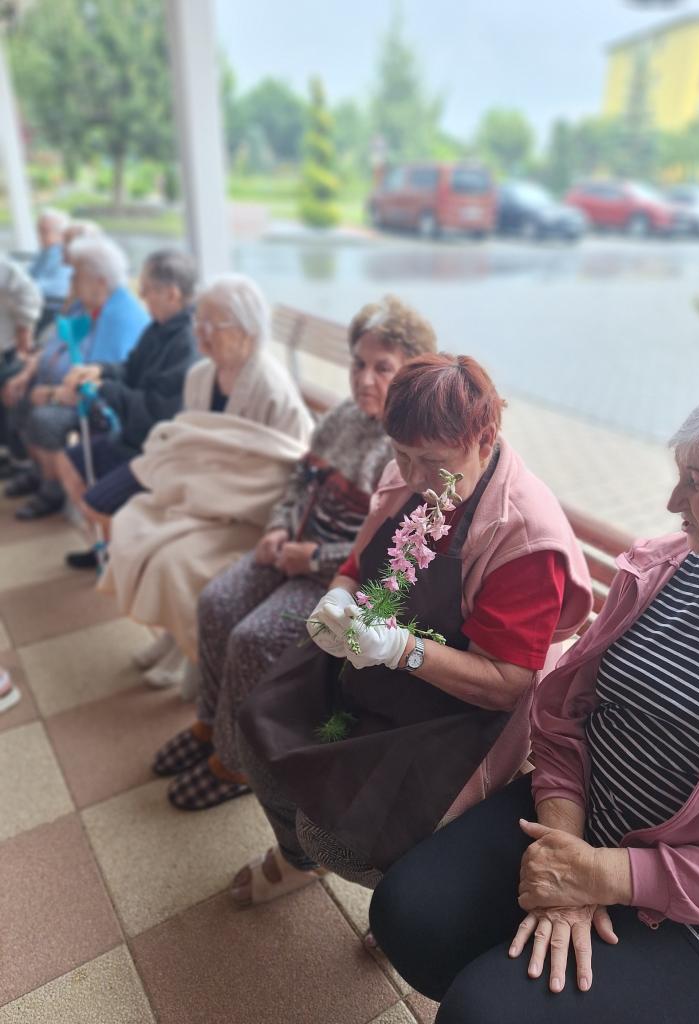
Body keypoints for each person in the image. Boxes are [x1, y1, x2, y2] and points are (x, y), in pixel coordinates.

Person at [369, 390, 699, 1024]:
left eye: (695, 481)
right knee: (407, 914)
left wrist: (608, 875)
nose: (672, 502)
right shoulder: (663, 567)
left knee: (485, 1012)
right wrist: (565, 850)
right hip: (580, 812)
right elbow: (562, 711)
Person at [231, 353, 592, 906]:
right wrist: (339, 594)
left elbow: (506, 683)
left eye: (433, 462)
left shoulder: (524, 539)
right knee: (258, 732)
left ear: (484, 437)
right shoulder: (406, 477)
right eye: (401, 454)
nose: (415, 478)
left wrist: (402, 649)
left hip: (459, 711)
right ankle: (297, 858)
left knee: (337, 839)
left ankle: (393, 895)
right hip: (372, 657)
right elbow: (359, 561)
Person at [152, 295, 437, 810]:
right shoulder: (341, 417)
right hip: (293, 550)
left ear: (410, 372)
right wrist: (279, 527)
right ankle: (208, 725)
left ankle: (233, 763)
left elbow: (386, 552)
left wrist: (313, 558)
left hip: (336, 578)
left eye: (382, 368)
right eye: (358, 364)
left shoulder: (407, 448)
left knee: (253, 638)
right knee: (216, 602)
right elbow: (298, 483)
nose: (364, 379)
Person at [99, 274, 314, 686]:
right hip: (197, 499)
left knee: (175, 561)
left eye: (212, 324)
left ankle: (195, 655)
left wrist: (220, 495)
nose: (199, 332)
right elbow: (192, 446)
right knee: (132, 524)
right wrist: (189, 485)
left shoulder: (272, 388)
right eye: (198, 320)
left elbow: (285, 472)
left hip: (246, 515)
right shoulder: (200, 375)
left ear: (246, 330)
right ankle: (174, 636)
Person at [55, 249, 198, 569]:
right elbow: (131, 368)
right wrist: (99, 370)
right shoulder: (158, 327)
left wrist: (104, 387)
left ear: (172, 294)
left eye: (146, 289)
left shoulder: (187, 343)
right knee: (68, 463)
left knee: (93, 503)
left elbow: (156, 413)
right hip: (132, 436)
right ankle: (107, 548)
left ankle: (122, 562)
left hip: (154, 449)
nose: (141, 295)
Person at [13, 235, 149, 520]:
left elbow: (99, 383)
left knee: (44, 418)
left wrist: (52, 394)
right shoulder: (84, 305)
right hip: (64, 389)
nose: (71, 280)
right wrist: (32, 376)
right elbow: (57, 344)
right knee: (22, 400)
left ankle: (52, 490)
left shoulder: (120, 316)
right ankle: (40, 473)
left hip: (98, 405)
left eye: (76, 274)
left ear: (100, 281)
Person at [0, 258, 42, 476]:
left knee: (8, 399)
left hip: (5, 349)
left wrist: (24, 330)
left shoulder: (4, 267)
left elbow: (28, 294)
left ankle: (14, 460)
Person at [28, 208, 72, 325]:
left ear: (61, 233)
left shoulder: (65, 254)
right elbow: (28, 275)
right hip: (38, 304)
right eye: (38, 230)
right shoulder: (45, 252)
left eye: (44, 231)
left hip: (51, 309)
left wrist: (23, 288)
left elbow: (58, 287)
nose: (39, 236)